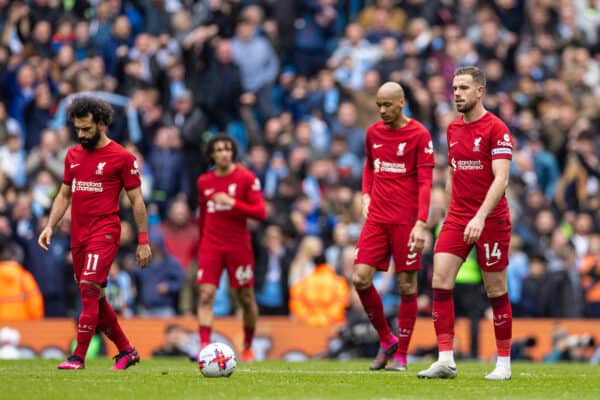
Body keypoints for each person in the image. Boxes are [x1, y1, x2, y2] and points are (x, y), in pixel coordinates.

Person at [38, 97, 152, 370]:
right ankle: (127, 350)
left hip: (105, 231)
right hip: (78, 235)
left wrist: (143, 241)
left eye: (87, 129)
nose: (81, 135)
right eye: (78, 129)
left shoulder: (122, 158)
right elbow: (64, 194)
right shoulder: (73, 155)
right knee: (95, 300)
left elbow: (137, 201)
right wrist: (50, 225)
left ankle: (78, 356)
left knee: (89, 288)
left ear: (102, 124)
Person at [417, 66, 514, 381]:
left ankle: (503, 363)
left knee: (496, 289)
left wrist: (480, 216)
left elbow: (501, 179)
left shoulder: (496, 129)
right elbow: (451, 172)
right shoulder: (452, 129)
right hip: (458, 217)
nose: (456, 93)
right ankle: (445, 359)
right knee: (439, 281)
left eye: (463, 88)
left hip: (492, 218)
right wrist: (445, 213)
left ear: (480, 91)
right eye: (454, 88)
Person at [352, 81, 434, 371]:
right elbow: (370, 167)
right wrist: (365, 195)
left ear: (401, 103)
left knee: (406, 285)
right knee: (360, 278)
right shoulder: (373, 133)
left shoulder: (420, 134)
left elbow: (425, 182)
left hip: (406, 221)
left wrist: (421, 223)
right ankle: (387, 339)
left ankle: (402, 353)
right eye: (379, 105)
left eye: (388, 105)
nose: (383, 111)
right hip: (377, 218)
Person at [196, 134, 266, 363]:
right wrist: (201, 244)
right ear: (212, 155)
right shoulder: (204, 182)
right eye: (218, 150)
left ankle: (247, 346)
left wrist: (232, 202)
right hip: (211, 245)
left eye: (227, 148)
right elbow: (203, 217)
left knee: (245, 298)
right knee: (206, 294)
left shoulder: (246, 178)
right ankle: (204, 347)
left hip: (238, 246)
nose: (224, 153)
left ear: (233, 152)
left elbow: (261, 212)